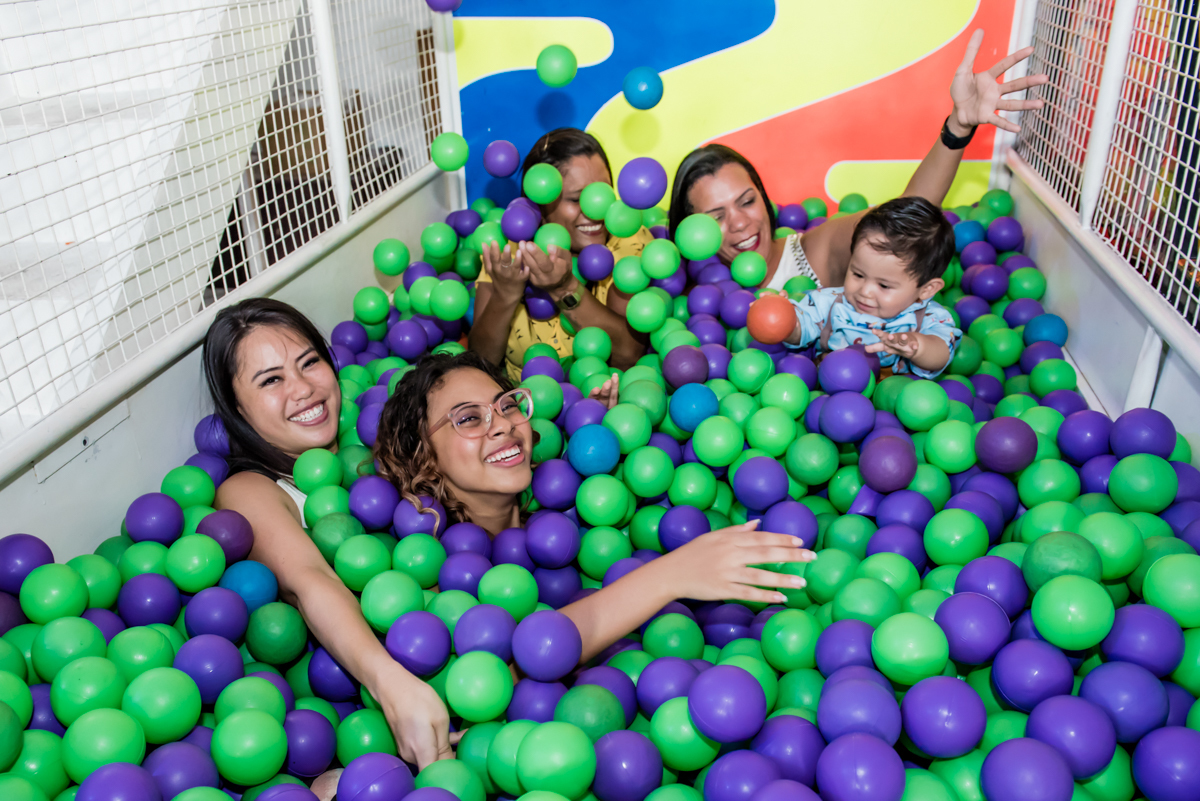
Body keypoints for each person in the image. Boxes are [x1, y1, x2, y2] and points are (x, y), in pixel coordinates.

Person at [373, 349, 816, 680]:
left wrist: (602, 444)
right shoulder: (426, 571)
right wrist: (672, 574)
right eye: (468, 419)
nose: (503, 424)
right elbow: (502, 673)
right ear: (424, 456)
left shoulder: (569, 491)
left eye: (507, 404)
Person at [202, 298, 458, 769]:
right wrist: (393, 685)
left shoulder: (380, 433)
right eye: (271, 380)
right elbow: (310, 579)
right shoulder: (250, 490)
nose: (302, 389)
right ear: (237, 407)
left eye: (310, 362)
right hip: (358, 716)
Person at [668, 30, 1048, 291]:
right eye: (716, 217)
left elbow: (906, 218)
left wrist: (958, 126)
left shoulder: (814, 252)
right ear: (688, 233)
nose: (739, 223)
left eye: (747, 201)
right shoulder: (679, 289)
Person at [470, 128, 651, 383]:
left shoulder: (628, 239)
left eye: (603, 194)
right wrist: (505, 294)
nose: (596, 211)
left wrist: (564, 287)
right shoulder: (507, 253)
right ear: (540, 206)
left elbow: (629, 355)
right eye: (577, 199)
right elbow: (479, 364)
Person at [781, 196, 960, 378]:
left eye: (884, 285)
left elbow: (942, 352)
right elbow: (802, 325)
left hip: (897, 395)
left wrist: (918, 347)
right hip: (831, 385)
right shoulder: (830, 301)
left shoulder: (929, 318)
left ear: (927, 289)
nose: (864, 291)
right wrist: (784, 321)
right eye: (858, 274)